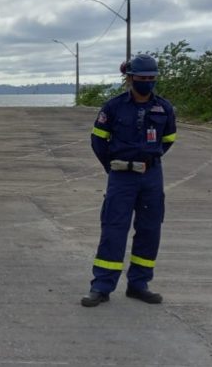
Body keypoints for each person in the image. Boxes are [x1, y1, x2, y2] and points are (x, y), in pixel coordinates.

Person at [81, 54, 177, 307]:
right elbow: (98, 140)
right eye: (141, 78)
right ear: (130, 78)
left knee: (149, 230)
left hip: (151, 176)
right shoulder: (113, 107)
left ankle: (139, 284)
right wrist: (112, 167)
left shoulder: (164, 108)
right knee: (113, 230)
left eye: (151, 78)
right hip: (121, 176)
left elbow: (168, 140)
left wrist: (148, 161)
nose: (147, 82)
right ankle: (101, 286)